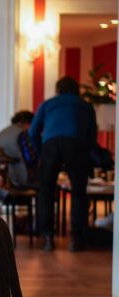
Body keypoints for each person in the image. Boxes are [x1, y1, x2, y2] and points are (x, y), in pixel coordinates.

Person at [29, 76, 97, 252]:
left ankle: (47, 238)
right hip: (77, 144)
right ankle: (76, 238)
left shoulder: (48, 104)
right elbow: (91, 136)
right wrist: (85, 154)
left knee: (46, 191)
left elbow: (33, 132)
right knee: (78, 193)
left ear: (58, 89)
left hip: (51, 145)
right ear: (76, 89)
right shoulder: (85, 105)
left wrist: (40, 152)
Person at [0, 110, 38, 188]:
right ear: (27, 123)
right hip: (20, 176)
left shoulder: (1, 133)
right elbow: (30, 159)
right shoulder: (22, 134)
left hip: (4, 177)